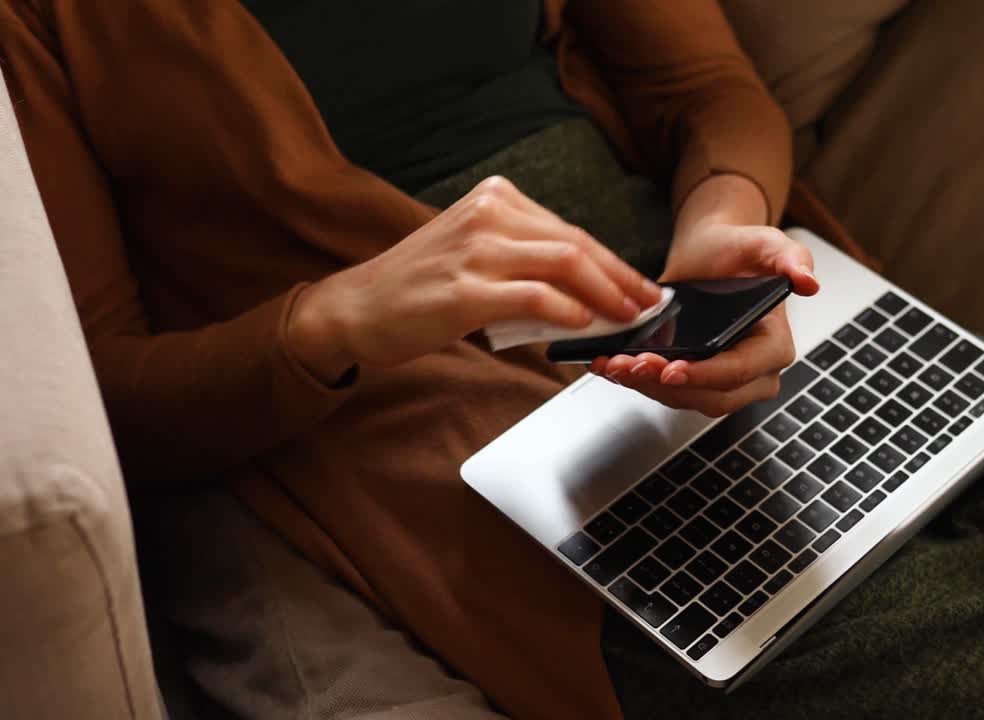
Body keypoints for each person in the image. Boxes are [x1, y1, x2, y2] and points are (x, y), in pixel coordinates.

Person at [0, 1, 839, 718]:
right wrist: (339, 318)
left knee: (955, 457)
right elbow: (100, 392)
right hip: (404, 401)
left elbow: (709, 88)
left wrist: (721, 218)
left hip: (680, 294)